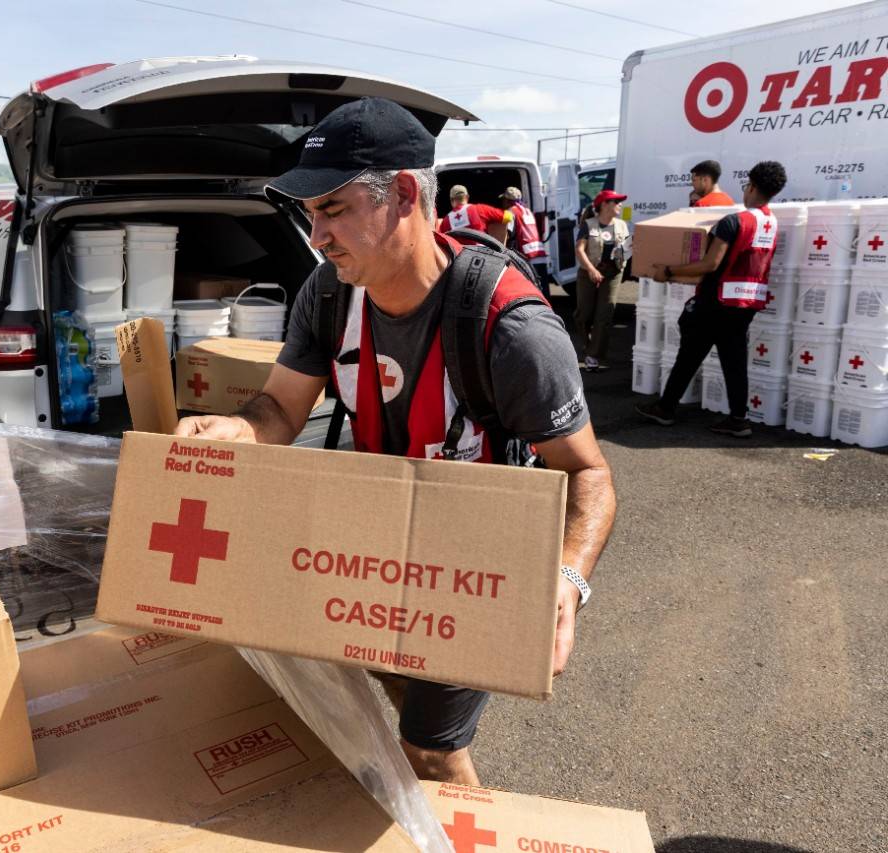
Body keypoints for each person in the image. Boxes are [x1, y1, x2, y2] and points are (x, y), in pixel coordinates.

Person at [175, 97, 617, 785]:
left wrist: (566, 579)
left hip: (474, 562)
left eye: (334, 209)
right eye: (309, 213)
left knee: (432, 750)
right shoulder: (327, 296)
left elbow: (588, 474)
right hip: (374, 550)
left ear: (405, 193)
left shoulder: (513, 329)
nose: (315, 235)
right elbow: (279, 410)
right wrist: (236, 428)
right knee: (395, 685)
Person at [637, 160, 788, 437]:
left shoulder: (734, 222)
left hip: (716, 301)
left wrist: (668, 271)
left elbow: (709, 264)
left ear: (752, 186)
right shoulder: (770, 223)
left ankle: (665, 409)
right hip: (746, 303)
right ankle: (738, 418)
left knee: (689, 354)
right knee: (734, 360)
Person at [574, 190, 630, 372]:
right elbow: (580, 250)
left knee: (604, 314)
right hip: (588, 272)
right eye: (616, 202)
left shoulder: (622, 225)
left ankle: (593, 355)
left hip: (613, 274)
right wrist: (591, 269)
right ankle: (587, 343)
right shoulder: (589, 225)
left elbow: (627, 249)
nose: (620, 205)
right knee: (585, 313)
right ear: (604, 204)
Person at [498, 186, 551, 297]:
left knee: (527, 293)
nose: (502, 203)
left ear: (507, 201)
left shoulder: (509, 212)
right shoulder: (527, 210)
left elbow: (507, 234)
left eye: (503, 200)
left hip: (526, 258)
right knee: (543, 293)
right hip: (539, 253)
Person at [438, 184, 509, 244]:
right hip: (481, 254)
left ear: (452, 200)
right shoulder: (479, 209)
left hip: (458, 257)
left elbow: (441, 241)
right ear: (467, 197)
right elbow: (507, 217)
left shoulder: (446, 220)